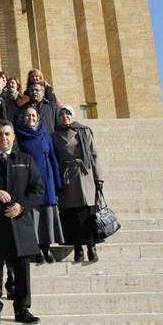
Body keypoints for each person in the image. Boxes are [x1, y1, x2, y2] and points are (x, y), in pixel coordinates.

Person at [0, 120, 44, 325]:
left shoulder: (25, 160)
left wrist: (21, 206)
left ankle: (22, 309)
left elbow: (37, 189)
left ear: (13, 136)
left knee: (22, 269)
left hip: (20, 224)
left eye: (7, 134)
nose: (3, 138)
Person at [53, 105, 103, 263]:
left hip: (84, 176)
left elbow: (94, 155)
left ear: (73, 115)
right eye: (61, 114)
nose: (65, 117)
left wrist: (99, 179)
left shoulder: (84, 131)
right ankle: (77, 248)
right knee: (72, 216)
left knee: (87, 214)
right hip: (66, 178)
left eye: (68, 114)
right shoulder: (54, 135)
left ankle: (91, 247)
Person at [16, 105, 64, 263]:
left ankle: (46, 247)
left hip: (47, 178)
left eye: (33, 116)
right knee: (34, 216)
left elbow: (53, 158)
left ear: (38, 117)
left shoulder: (46, 135)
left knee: (46, 215)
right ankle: (35, 248)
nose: (30, 118)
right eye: (27, 116)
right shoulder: (18, 134)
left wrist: (57, 181)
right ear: (23, 117)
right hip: (29, 179)